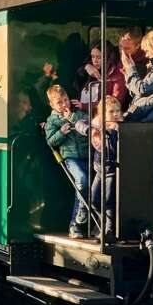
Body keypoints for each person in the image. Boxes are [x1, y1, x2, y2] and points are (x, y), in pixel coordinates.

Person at [44, 84, 90, 238]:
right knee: (82, 181)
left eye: (66, 100)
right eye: (59, 102)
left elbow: (88, 123)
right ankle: (74, 224)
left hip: (86, 156)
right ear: (52, 104)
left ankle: (90, 222)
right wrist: (61, 133)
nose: (64, 105)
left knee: (93, 186)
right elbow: (50, 141)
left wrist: (73, 116)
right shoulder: (51, 121)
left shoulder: (77, 113)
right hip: (70, 158)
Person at [88, 97, 121, 239]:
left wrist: (112, 133)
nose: (115, 114)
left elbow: (114, 149)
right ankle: (103, 224)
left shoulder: (119, 128)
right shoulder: (96, 125)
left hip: (112, 169)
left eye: (118, 111)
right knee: (93, 200)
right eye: (111, 111)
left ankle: (109, 231)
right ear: (102, 114)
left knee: (108, 201)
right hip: (100, 169)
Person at [75, 41, 129, 115]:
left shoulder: (118, 73)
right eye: (93, 56)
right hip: (82, 113)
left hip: (104, 117)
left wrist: (85, 106)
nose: (95, 61)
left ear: (108, 57)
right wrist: (86, 67)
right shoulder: (89, 68)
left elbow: (116, 101)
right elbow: (77, 80)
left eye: (99, 57)